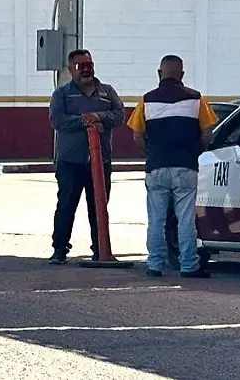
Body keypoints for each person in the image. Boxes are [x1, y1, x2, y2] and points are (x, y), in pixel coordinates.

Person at [126, 54, 219, 278]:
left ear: (159, 74)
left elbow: (137, 136)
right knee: (185, 220)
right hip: (186, 166)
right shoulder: (196, 99)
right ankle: (189, 265)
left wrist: (152, 153)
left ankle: (155, 265)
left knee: (156, 220)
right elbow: (208, 133)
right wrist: (194, 150)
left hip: (156, 166)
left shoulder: (146, 100)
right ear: (182, 75)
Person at [48, 49, 126, 264]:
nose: (86, 70)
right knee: (66, 206)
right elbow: (57, 121)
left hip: (101, 162)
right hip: (70, 162)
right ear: (70, 69)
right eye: (80, 66)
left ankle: (100, 250)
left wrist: (99, 116)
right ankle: (59, 250)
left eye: (89, 64)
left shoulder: (107, 92)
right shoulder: (62, 94)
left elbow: (120, 115)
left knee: (99, 207)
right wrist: (84, 120)